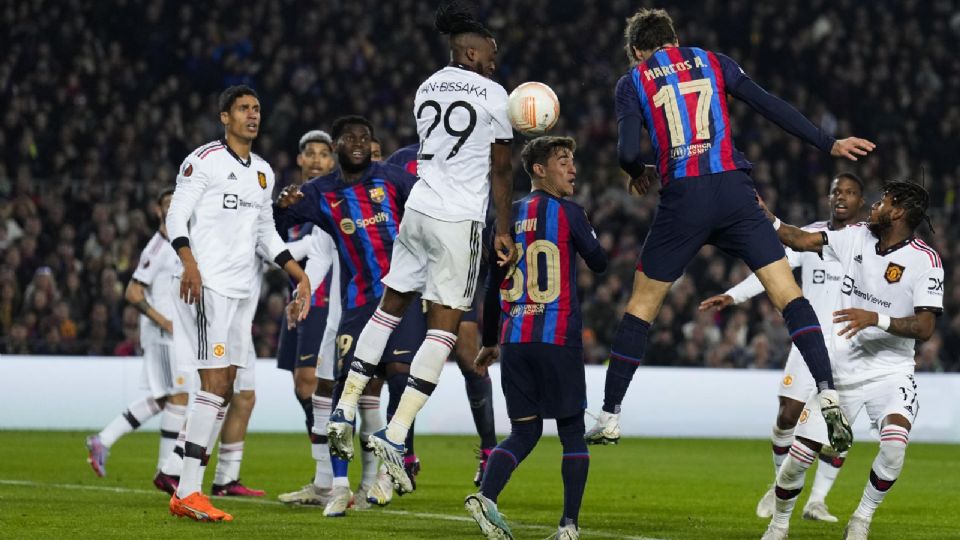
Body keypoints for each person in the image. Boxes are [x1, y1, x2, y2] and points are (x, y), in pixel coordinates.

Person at [585, 8, 875, 452]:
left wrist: (639, 169)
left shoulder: (634, 80)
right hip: (735, 191)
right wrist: (827, 142)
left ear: (637, 51)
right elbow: (769, 104)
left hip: (684, 197)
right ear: (675, 38)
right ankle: (828, 392)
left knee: (642, 305)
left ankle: (609, 415)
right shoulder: (714, 61)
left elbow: (626, 150)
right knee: (788, 294)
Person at [326, 2, 516, 495]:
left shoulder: (427, 86)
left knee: (389, 308)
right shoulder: (497, 95)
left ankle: (345, 406)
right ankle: (393, 433)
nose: (494, 62)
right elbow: (499, 169)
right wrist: (503, 227)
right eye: (490, 54)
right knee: (447, 327)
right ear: (471, 52)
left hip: (417, 212)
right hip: (458, 219)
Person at [758, 181, 943, 540]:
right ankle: (778, 526)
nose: (874, 206)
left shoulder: (925, 260)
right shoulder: (856, 236)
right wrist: (767, 218)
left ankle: (861, 519)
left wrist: (876, 319)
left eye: (883, 202)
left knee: (893, 448)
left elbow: (925, 327)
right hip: (841, 372)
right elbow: (800, 239)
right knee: (798, 460)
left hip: (890, 373)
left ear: (899, 213)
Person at [165, 84, 310, 522]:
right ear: (224, 117)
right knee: (214, 383)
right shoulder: (203, 160)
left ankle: (186, 484)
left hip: (240, 290)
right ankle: (187, 489)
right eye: (243, 108)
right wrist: (189, 262)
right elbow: (176, 214)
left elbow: (266, 233)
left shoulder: (263, 172)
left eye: (257, 108)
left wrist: (297, 272)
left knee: (224, 385)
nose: (253, 115)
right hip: (206, 285)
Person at [274, 115, 423, 514]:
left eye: (365, 137)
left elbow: (428, 213)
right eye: (349, 137)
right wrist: (283, 207)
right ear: (337, 144)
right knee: (346, 390)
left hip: (402, 299)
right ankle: (339, 486)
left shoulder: (393, 179)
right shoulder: (321, 192)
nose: (358, 142)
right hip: (358, 305)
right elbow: (277, 226)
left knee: (400, 380)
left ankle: (393, 466)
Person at [699, 173, 866, 521]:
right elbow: (770, 269)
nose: (842, 197)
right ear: (828, 195)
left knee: (837, 430)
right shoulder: (808, 237)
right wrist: (733, 295)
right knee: (786, 415)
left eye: (850, 192)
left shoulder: (868, 244)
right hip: (809, 345)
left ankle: (818, 500)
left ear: (860, 201)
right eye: (836, 190)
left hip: (852, 349)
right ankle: (780, 487)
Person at [465, 137, 605, 540]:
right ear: (539, 170)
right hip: (557, 336)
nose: (573, 169)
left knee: (524, 432)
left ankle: (487, 498)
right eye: (563, 161)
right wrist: (587, 230)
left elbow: (492, 285)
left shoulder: (504, 222)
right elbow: (599, 263)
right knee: (572, 432)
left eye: (573, 161)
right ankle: (568, 526)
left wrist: (490, 340)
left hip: (515, 341)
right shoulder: (569, 212)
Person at [386, 143, 499, 485]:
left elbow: (483, 206)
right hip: (413, 271)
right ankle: (403, 453)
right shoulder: (400, 161)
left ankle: (489, 449)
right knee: (401, 367)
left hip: (455, 262)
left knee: (469, 356)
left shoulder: (466, 154)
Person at [85, 189, 190, 479]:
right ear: (158, 212)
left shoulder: (182, 244)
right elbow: (133, 291)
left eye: (176, 204)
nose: (172, 209)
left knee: (164, 398)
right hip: (162, 333)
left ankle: (103, 440)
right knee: (178, 396)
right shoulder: (157, 248)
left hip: (175, 332)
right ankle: (166, 470)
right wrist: (164, 321)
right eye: (166, 205)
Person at [274, 130, 339, 498]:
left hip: (323, 296)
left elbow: (312, 249)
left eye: (323, 154)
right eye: (309, 153)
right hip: (297, 296)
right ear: (299, 160)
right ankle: (324, 469)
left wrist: (279, 252)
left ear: (332, 161)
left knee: (313, 382)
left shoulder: (331, 198)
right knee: (304, 387)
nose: (316, 159)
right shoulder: (289, 202)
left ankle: (329, 476)